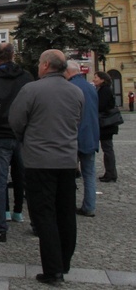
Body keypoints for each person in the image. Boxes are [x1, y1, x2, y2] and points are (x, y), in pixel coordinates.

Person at [9, 50, 83, 284]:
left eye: (40, 63)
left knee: (44, 215)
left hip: (39, 160)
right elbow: (77, 122)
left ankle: (52, 270)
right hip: (67, 161)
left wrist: (27, 138)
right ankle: (64, 262)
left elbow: (16, 120)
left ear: (45, 65)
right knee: (66, 212)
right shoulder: (76, 91)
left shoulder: (32, 90)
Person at [0, 43, 33, 242]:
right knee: (26, 177)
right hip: (21, 133)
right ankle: (33, 221)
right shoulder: (26, 77)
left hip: (1, 134)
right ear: (12, 55)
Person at [64, 61, 99, 217]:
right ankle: (89, 206)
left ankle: (67, 205)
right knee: (89, 173)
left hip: (74, 136)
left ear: (68, 72)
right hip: (91, 135)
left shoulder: (70, 88)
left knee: (68, 174)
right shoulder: (91, 88)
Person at [94, 71, 119, 182]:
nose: (94, 79)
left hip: (106, 124)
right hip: (106, 124)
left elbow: (101, 106)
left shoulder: (104, 90)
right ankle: (110, 172)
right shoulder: (103, 89)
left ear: (102, 79)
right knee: (107, 149)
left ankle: (111, 173)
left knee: (107, 149)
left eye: (96, 77)